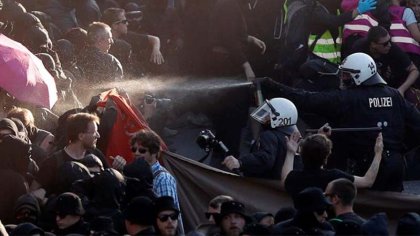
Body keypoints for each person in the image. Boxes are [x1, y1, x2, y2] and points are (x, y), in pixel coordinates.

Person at [260, 52, 420, 192]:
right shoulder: (395, 96)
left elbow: (308, 100)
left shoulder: (348, 98)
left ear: (360, 75)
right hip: (396, 166)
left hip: (363, 167)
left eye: (346, 75)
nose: (342, 78)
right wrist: (399, 149)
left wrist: (274, 86)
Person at [112, 129, 184, 233]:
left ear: (154, 152)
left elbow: (167, 217)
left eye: (142, 150)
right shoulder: (135, 173)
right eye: (134, 149)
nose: (136, 153)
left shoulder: (163, 178)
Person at [280, 130, 383, 198]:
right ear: (326, 158)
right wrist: (378, 153)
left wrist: (290, 152)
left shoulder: (294, 178)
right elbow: (367, 181)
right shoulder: (334, 177)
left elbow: (285, 178)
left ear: (302, 154)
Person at [222, 98, 302, 179]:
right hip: (280, 187)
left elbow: (265, 159)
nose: (264, 117)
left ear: (280, 118)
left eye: (269, 115)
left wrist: (241, 162)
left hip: (262, 186)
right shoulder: (294, 139)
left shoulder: (269, 135)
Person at [30, 113, 101, 199]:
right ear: (81, 136)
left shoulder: (96, 155)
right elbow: (33, 192)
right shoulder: (53, 162)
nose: (98, 135)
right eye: (94, 132)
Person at [351, 26, 419, 97]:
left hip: (393, 87)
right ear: (373, 44)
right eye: (385, 43)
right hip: (367, 89)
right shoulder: (359, 49)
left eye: (390, 40)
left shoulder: (393, 48)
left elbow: (414, 71)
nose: (389, 45)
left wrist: (401, 90)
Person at [77, 22, 123, 86]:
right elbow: (116, 86)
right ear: (100, 40)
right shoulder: (110, 61)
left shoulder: (78, 57)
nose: (111, 42)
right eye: (109, 38)